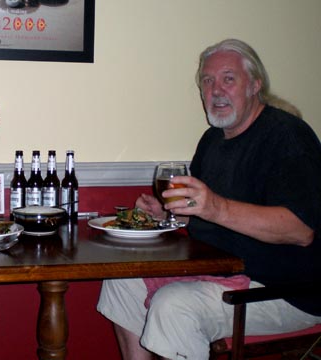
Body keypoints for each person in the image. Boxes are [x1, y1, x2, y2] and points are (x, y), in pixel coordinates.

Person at [97, 38, 321, 359]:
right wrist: (172, 214)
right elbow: (209, 214)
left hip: (285, 292)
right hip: (224, 273)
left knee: (174, 305)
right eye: (207, 80)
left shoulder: (288, 136)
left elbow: (301, 230)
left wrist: (214, 206)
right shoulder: (213, 139)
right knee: (121, 280)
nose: (216, 90)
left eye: (228, 79)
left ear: (255, 85)